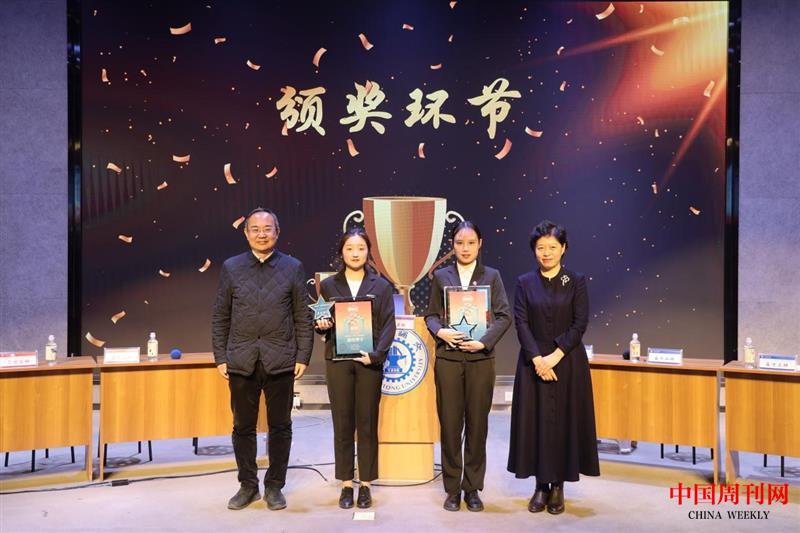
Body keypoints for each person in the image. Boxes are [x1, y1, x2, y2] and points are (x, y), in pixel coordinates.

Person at [212, 207, 313, 511]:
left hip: (280, 357)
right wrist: (220, 356)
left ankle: (274, 486)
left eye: (267, 229)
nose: (261, 234)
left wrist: (303, 355)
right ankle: (248, 485)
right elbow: (221, 315)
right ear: (246, 234)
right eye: (255, 229)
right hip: (241, 359)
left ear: (277, 233)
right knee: (242, 426)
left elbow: (302, 315)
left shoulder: (293, 267)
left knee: (280, 426)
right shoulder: (231, 267)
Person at [507, 220, 600, 515]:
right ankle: (540, 486)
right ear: (534, 250)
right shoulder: (524, 282)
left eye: (552, 247)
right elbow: (521, 323)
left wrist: (554, 356)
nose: (546, 253)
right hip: (532, 363)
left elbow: (579, 323)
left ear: (563, 249)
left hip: (567, 362)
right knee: (535, 424)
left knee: (564, 423)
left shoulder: (576, 281)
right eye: (540, 248)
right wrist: (538, 359)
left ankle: (558, 486)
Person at [425, 221, 511, 512]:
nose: (465, 248)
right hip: (448, 360)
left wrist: (483, 342)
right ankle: (452, 489)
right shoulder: (441, 276)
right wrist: (441, 331)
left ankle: (472, 488)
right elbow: (431, 316)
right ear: (453, 245)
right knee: (450, 426)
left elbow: (504, 316)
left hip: (480, 360)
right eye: (460, 243)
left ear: (480, 244)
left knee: (477, 426)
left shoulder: (492, 276)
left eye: (471, 243)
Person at [315, 227, 396, 509]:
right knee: (342, 423)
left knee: (367, 423)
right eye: (349, 248)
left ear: (368, 252)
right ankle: (346, 484)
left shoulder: (381, 286)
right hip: (338, 362)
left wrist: (376, 355)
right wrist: (321, 325)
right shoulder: (328, 285)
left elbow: (389, 325)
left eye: (361, 248)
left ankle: (366, 484)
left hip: (369, 363)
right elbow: (321, 322)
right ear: (341, 252)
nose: (355, 253)